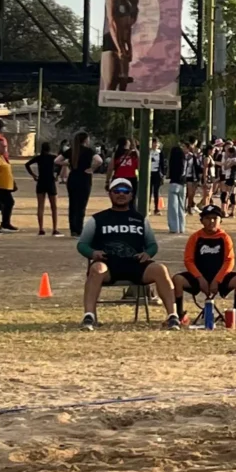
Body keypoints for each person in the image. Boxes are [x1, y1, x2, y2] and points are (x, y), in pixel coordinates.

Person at [77, 178, 178, 330]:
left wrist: (148, 253)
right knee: (96, 269)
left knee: (160, 269)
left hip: (136, 264)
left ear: (131, 196)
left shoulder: (140, 219)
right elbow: (82, 244)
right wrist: (93, 253)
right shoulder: (97, 219)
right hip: (108, 265)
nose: (121, 194)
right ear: (110, 194)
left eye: (125, 191)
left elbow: (152, 244)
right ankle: (89, 316)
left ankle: (173, 317)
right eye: (116, 191)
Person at [172, 204, 236, 326]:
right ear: (201, 221)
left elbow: (229, 261)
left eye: (215, 218)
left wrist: (218, 280)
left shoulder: (224, 238)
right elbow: (189, 260)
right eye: (208, 218)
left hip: (220, 276)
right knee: (177, 280)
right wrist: (199, 278)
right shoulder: (195, 237)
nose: (211, 221)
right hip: (198, 276)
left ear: (221, 221)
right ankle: (179, 314)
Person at [57, 132, 103, 237]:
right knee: (81, 205)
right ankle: (79, 228)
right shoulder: (89, 151)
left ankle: (73, 228)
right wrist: (92, 169)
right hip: (84, 178)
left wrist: (67, 163)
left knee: (72, 204)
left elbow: (57, 160)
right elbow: (99, 160)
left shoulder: (71, 151)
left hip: (73, 178)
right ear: (86, 140)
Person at [101, 0, 139, 91]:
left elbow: (128, 26)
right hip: (112, 41)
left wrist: (128, 47)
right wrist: (119, 48)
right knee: (111, 83)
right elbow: (112, 22)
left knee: (123, 84)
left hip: (124, 41)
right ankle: (106, 108)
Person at [25, 141, 62, 236]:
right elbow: (61, 164)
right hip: (50, 182)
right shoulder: (53, 158)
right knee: (54, 207)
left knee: (40, 206)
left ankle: (41, 228)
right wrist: (57, 174)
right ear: (49, 149)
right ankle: (55, 228)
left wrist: (33, 175)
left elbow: (27, 164)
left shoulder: (39, 158)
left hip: (41, 181)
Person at [166, 137, 194, 234]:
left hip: (174, 183)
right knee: (181, 207)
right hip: (183, 184)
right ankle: (182, 227)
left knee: (173, 207)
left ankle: (174, 227)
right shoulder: (185, 158)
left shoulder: (174, 160)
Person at [148, 138, 163, 215]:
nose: (155, 145)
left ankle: (156, 208)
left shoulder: (160, 153)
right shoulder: (148, 152)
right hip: (149, 173)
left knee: (156, 192)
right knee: (148, 191)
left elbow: (162, 164)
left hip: (157, 173)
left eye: (156, 143)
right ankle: (148, 208)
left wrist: (162, 175)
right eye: (154, 143)